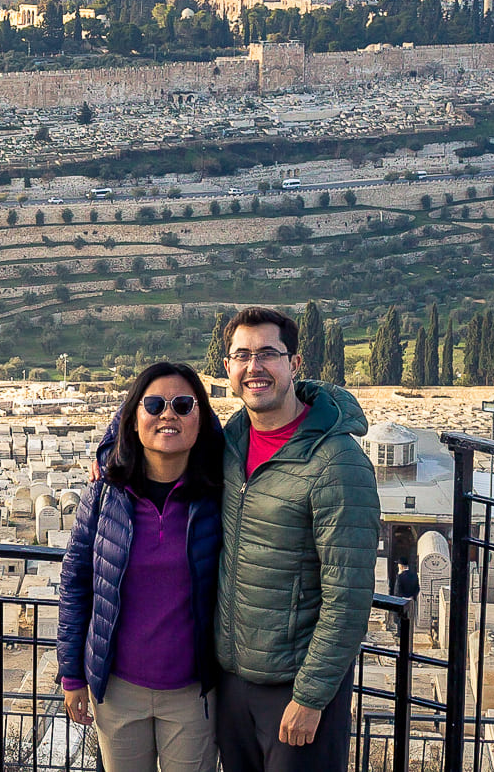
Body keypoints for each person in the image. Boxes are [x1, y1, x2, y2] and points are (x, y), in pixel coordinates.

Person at [213, 306, 380, 772]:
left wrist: (310, 697)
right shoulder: (230, 441)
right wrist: (110, 449)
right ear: (227, 367)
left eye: (268, 353)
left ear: (295, 363)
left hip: (296, 688)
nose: (254, 367)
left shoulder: (337, 462)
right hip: (233, 679)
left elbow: (347, 595)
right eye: (242, 355)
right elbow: (157, 424)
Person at [57, 361, 224, 772]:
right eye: (154, 404)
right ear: (133, 420)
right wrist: (72, 675)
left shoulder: (218, 498)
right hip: (117, 691)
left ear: (200, 421)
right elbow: (76, 583)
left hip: (192, 694)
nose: (169, 414)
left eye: (184, 405)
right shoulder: (103, 495)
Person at [392, 558, 421, 632]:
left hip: (401, 601)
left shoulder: (400, 576)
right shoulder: (414, 575)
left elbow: (398, 590)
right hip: (411, 600)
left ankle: (400, 634)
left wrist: (401, 597)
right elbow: (417, 588)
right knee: (409, 618)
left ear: (401, 566)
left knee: (400, 619)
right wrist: (412, 596)